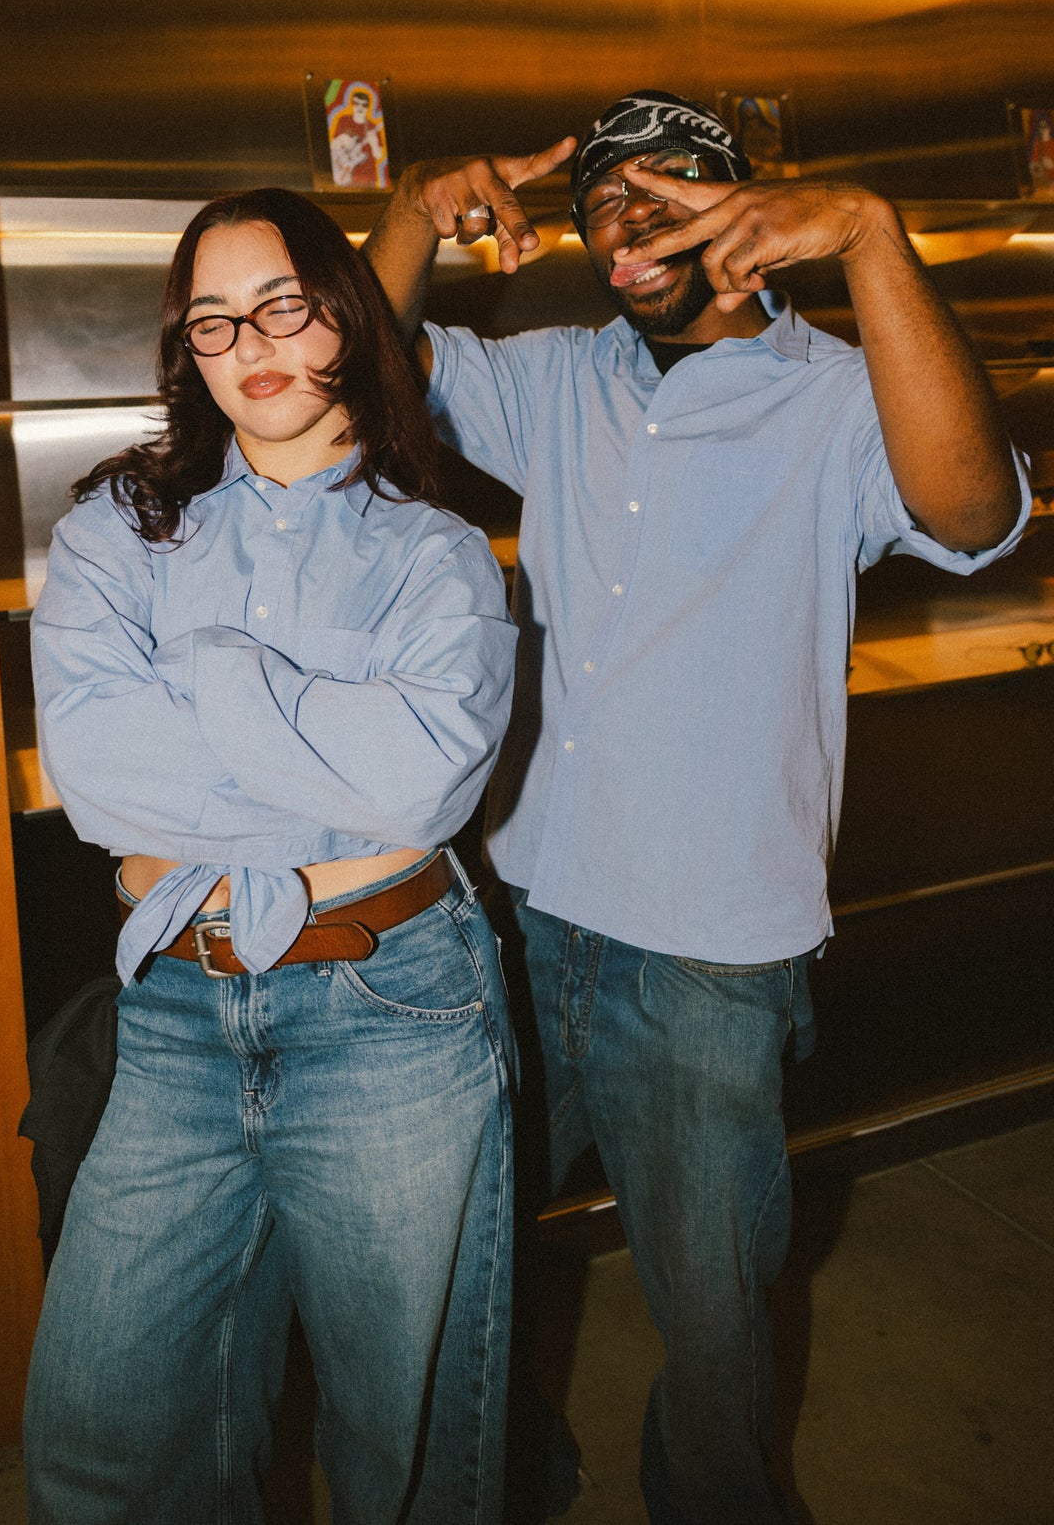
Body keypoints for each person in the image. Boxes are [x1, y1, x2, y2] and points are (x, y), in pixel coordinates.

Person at [361, 90, 1029, 1525]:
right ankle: (506, 1473)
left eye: (668, 184)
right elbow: (356, 372)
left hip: (712, 949)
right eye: (603, 197)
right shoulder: (557, 378)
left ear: (746, 206)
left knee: (715, 1318)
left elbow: (976, 516)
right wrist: (412, 211)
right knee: (472, 1251)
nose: (630, 215)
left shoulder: (839, 395)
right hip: (523, 914)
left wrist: (871, 235)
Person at [24, 188, 518, 1525]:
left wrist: (206, 674)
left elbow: (426, 780)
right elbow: (97, 773)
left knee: (400, 1442)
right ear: (185, 349)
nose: (251, 343)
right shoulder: (120, 527)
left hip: (393, 1013)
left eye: (283, 305)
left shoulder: (438, 552)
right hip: (177, 1014)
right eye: (214, 320)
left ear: (345, 316)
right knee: (102, 1435)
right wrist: (323, 753)